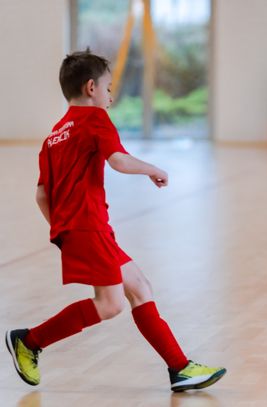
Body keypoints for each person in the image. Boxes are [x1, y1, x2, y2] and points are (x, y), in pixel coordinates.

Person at [5, 50, 226, 391]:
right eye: (108, 88)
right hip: (89, 227)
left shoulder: (53, 136)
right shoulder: (95, 119)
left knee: (139, 287)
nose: (111, 96)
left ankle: (180, 368)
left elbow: (41, 196)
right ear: (91, 87)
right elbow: (118, 160)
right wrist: (152, 169)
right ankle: (29, 341)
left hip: (81, 229)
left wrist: (64, 230)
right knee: (110, 304)